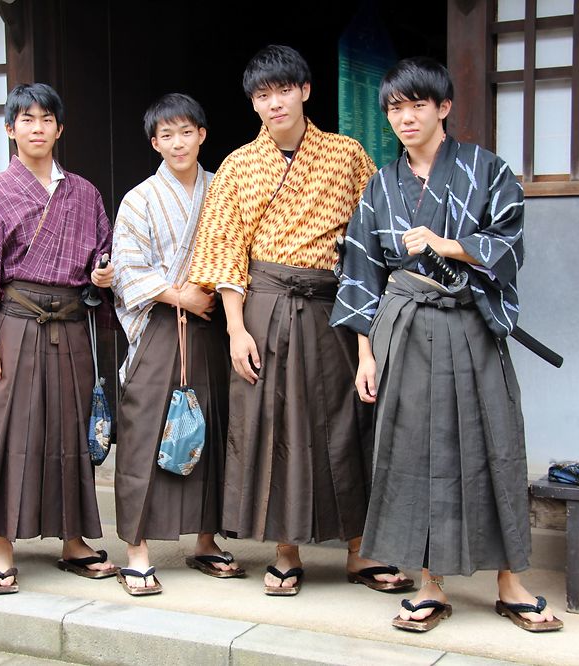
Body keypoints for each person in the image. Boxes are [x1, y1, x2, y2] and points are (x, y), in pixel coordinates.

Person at [330, 56, 563, 632]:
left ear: (443, 108)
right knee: (412, 452)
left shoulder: (488, 171)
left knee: (495, 444)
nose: (404, 117)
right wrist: (365, 353)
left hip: (471, 325)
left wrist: (448, 244)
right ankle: (430, 584)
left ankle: (510, 579)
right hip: (403, 329)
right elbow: (359, 270)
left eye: (416, 105)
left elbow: (509, 241)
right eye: (394, 107)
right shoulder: (381, 186)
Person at [187, 45, 412, 596]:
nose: (273, 104)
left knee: (346, 423)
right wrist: (237, 330)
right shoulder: (239, 166)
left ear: (305, 91)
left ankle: (361, 551)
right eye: (261, 96)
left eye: (282, 90)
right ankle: (284, 550)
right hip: (263, 307)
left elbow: (370, 243)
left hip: (335, 307)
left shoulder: (346, 154)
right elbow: (225, 255)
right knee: (271, 426)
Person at [0, 83, 117, 594]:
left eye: (46, 119)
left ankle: (74, 539)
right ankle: (2, 547)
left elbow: (101, 262)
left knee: (68, 433)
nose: (36, 128)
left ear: (60, 129)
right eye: (26, 119)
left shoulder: (84, 194)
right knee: (8, 433)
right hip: (13, 325)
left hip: (69, 329)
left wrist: (103, 278)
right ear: (10, 129)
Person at [110, 93, 240, 596]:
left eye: (187, 131)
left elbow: (238, 250)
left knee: (214, 426)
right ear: (154, 143)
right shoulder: (140, 199)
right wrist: (179, 295)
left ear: (202, 135)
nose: (178, 142)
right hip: (164, 323)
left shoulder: (222, 190)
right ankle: (137, 548)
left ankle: (206, 540)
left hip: (213, 323)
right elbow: (126, 268)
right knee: (145, 430)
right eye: (167, 135)